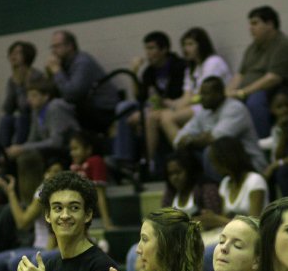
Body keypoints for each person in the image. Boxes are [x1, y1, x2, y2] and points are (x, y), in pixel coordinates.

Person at [153, 28, 233, 162]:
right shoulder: (192, 68)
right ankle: (151, 162)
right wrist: (171, 105)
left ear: (202, 45)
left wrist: (174, 109)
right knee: (155, 116)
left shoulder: (213, 62)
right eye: (184, 45)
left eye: (190, 44)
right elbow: (187, 96)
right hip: (197, 105)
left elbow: (204, 94)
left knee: (167, 118)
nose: (186, 49)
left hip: (212, 106)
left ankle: (184, 160)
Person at [227, 6, 288, 137]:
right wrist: (228, 92)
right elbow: (240, 75)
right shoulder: (252, 48)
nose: (250, 28)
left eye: (255, 23)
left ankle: (262, 142)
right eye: (250, 24)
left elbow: (272, 78)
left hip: (275, 89)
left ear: (270, 24)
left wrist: (243, 92)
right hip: (248, 90)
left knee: (255, 101)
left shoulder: (282, 44)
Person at [115, 31, 188, 167]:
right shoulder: (149, 72)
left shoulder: (179, 66)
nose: (147, 53)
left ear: (164, 49)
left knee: (147, 116)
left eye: (151, 48)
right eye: (146, 49)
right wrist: (134, 73)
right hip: (154, 106)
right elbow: (140, 97)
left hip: (174, 106)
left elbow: (176, 97)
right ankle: (124, 160)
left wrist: (145, 112)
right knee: (124, 108)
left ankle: (148, 163)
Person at [175, 76, 268, 174]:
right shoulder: (204, 112)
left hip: (251, 165)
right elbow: (179, 139)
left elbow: (215, 139)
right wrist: (193, 140)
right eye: (201, 94)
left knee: (213, 151)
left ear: (219, 94)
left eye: (205, 94)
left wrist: (193, 140)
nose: (200, 98)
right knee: (184, 152)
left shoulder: (235, 108)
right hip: (229, 165)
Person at [46, 30, 119, 134]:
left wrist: (57, 71)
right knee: (45, 106)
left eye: (57, 46)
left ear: (70, 46)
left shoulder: (82, 62)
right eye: (52, 47)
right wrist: (50, 73)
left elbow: (72, 95)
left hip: (103, 108)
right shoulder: (63, 63)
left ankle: (70, 143)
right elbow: (51, 93)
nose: (53, 51)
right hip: (85, 107)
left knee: (57, 106)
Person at [6, 78, 81, 161]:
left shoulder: (55, 107)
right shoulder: (36, 111)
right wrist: (18, 149)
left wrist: (23, 148)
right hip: (52, 150)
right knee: (17, 156)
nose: (29, 99)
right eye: (28, 96)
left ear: (46, 96)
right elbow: (32, 139)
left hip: (70, 149)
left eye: (33, 95)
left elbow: (56, 142)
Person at [0, 41, 45, 154]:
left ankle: (15, 155)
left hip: (37, 116)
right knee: (6, 119)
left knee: (21, 119)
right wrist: (15, 84)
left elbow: (28, 105)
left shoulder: (36, 76)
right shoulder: (12, 79)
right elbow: (7, 108)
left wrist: (19, 87)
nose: (13, 56)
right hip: (24, 116)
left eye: (17, 52)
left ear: (26, 55)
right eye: (11, 53)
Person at [70, 131, 114, 230]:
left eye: (76, 149)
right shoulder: (75, 166)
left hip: (95, 209)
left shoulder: (95, 161)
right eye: (71, 149)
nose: (72, 153)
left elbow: (100, 193)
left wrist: (106, 223)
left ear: (88, 149)